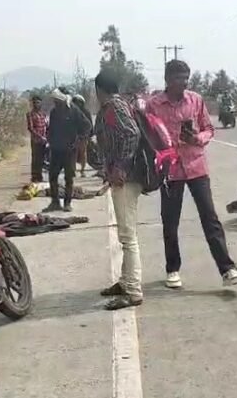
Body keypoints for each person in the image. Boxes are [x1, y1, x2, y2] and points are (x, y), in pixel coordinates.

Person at [145, 60, 237, 288]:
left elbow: (208, 128)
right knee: (170, 221)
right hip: (170, 170)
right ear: (167, 79)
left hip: (196, 165)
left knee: (210, 218)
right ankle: (172, 269)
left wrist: (196, 138)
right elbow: (148, 135)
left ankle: (227, 269)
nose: (183, 83)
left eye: (185, 78)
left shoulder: (195, 100)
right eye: (178, 78)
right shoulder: (154, 105)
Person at [94, 70, 144, 310]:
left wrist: (121, 167)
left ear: (99, 90)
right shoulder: (114, 106)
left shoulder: (114, 107)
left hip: (126, 178)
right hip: (120, 177)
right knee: (126, 234)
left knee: (127, 236)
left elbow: (132, 134)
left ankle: (133, 291)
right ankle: (125, 282)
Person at [45, 88, 92, 212]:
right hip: (55, 150)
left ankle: (67, 203)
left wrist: (79, 139)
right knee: (52, 176)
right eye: (54, 101)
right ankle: (55, 202)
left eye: (57, 101)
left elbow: (87, 125)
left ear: (62, 100)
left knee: (69, 178)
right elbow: (50, 129)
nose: (55, 103)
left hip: (69, 151)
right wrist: (49, 140)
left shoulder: (74, 111)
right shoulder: (54, 112)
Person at [26, 95, 48, 182]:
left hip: (44, 141)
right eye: (34, 103)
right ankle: (35, 177)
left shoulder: (43, 114)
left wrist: (47, 137)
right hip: (36, 140)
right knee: (35, 159)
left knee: (42, 159)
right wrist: (40, 137)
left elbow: (46, 126)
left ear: (41, 103)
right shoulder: (30, 114)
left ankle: (40, 176)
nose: (36, 104)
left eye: (38, 102)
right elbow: (30, 128)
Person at [72, 94, 94, 177]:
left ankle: (82, 170)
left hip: (83, 136)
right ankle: (73, 170)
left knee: (83, 153)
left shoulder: (86, 112)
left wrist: (89, 135)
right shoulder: (71, 112)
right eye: (75, 102)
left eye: (78, 102)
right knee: (73, 153)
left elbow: (89, 124)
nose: (76, 104)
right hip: (74, 136)